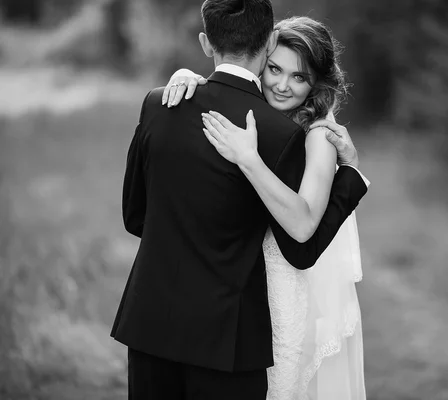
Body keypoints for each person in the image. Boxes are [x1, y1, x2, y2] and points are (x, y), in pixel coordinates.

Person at [110, 1, 369, 399]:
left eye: (298, 76)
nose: (282, 85)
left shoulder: (158, 103)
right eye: (276, 70)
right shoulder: (279, 136)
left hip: (151, 322)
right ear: (267, 46)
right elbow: (300, 244)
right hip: (227, 334)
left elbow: (135, 217)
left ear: (206, 42)